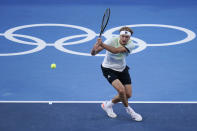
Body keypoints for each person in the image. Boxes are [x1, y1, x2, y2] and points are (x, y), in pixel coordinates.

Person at [91, 27, 142, 121]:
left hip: (122, 69)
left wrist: (102, 44)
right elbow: (93, 53)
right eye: (123, 36)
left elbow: (115, 51)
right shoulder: (111, 40)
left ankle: (108, 105)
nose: (124, 39)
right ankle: (130, 111)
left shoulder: (131, 45)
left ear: (129, 38)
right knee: (121, 91)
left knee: (128, 95)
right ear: (120, 35)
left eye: (127, 37)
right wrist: (94, 48)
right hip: (108, 69)